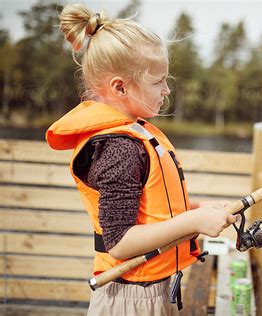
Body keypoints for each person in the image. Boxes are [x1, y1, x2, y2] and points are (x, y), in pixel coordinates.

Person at [45, 3, 238, 315]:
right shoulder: (119, 149)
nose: (166, 90)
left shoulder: (134, 135)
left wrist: (196, 210)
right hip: (129, 301)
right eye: (157, 81)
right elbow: (120, 242)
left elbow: (147, 213)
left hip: (154, 290)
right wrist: (192, 222)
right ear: (120, 87)